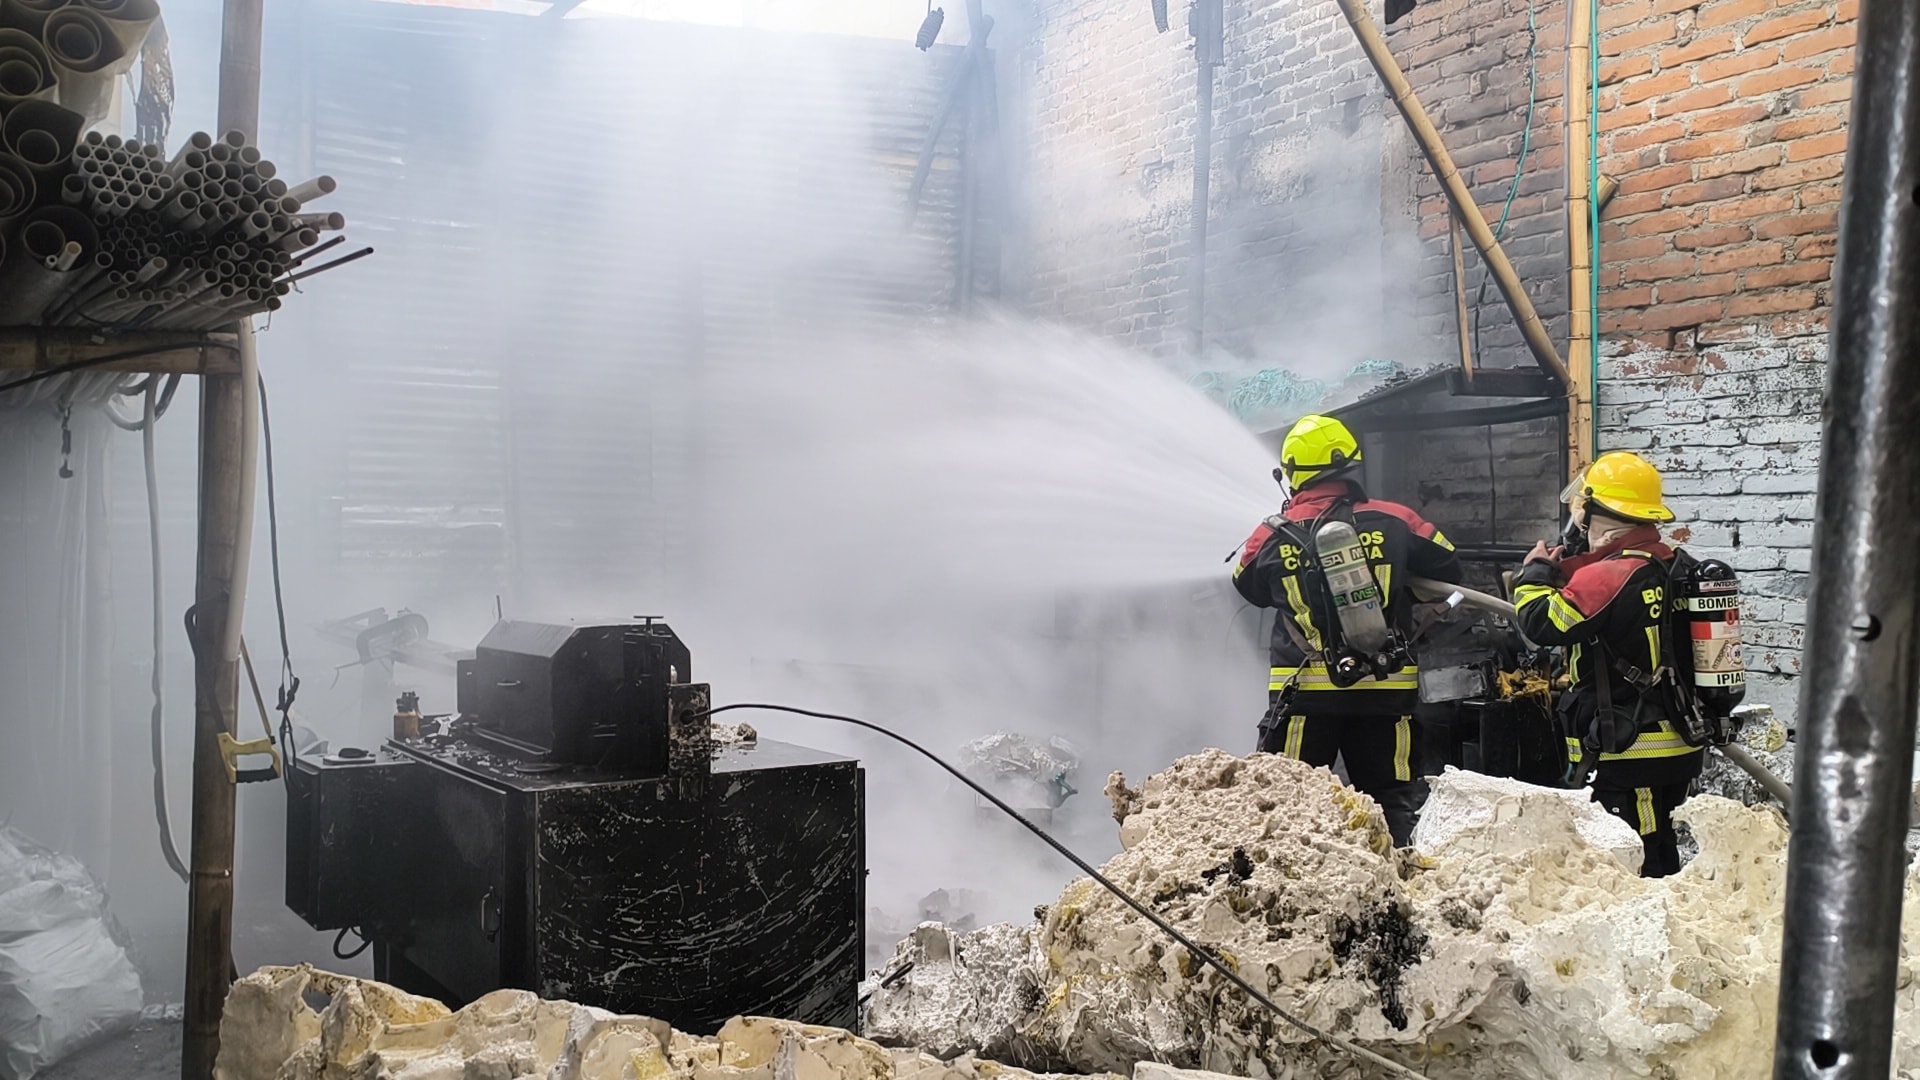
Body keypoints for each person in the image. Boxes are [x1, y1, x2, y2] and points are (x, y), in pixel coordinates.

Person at [1232, 414, 1463, 845]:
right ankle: (1403, 890)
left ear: (1294, 474)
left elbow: (1248, 587)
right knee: (1393, 802)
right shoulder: (1396, 519)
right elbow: (1448, 562)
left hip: (1307, 696)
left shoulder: (1271, 534)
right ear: (1351, 466)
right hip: (1386, 690)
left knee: (1290, 802)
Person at [1512, 451, 1702, 877]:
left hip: (1630, 751)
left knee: (1638, 863)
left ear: (1601, 513)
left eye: (1584, 510)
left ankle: (1651, 938)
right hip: (1678, 742)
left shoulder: (1610, 575)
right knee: (1661, 845)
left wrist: (1535, 573)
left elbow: (1540, 623)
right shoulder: (1671, 564)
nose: (1579, 521)